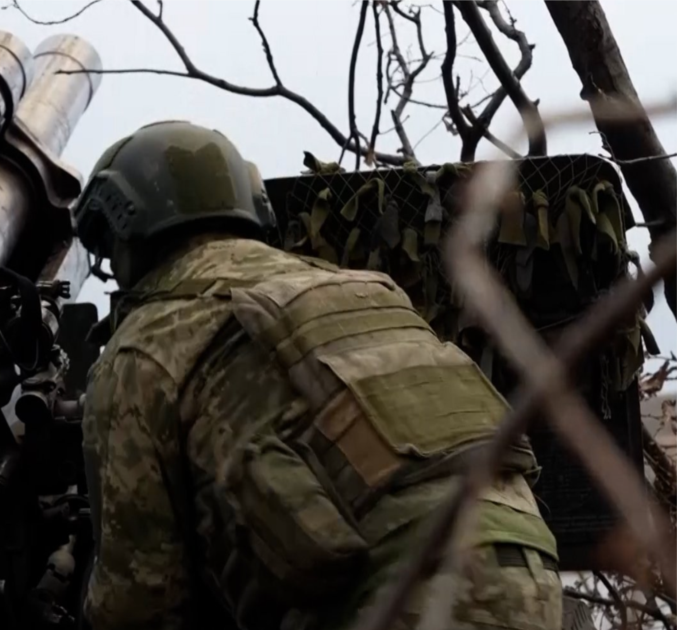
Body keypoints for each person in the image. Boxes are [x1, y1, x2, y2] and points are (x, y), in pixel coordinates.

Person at [73, 120, 562, 630]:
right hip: (530, 572)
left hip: (396, 599)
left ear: (124, 226)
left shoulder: (144, 346)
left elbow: (141, 602)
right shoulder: (363, 289)